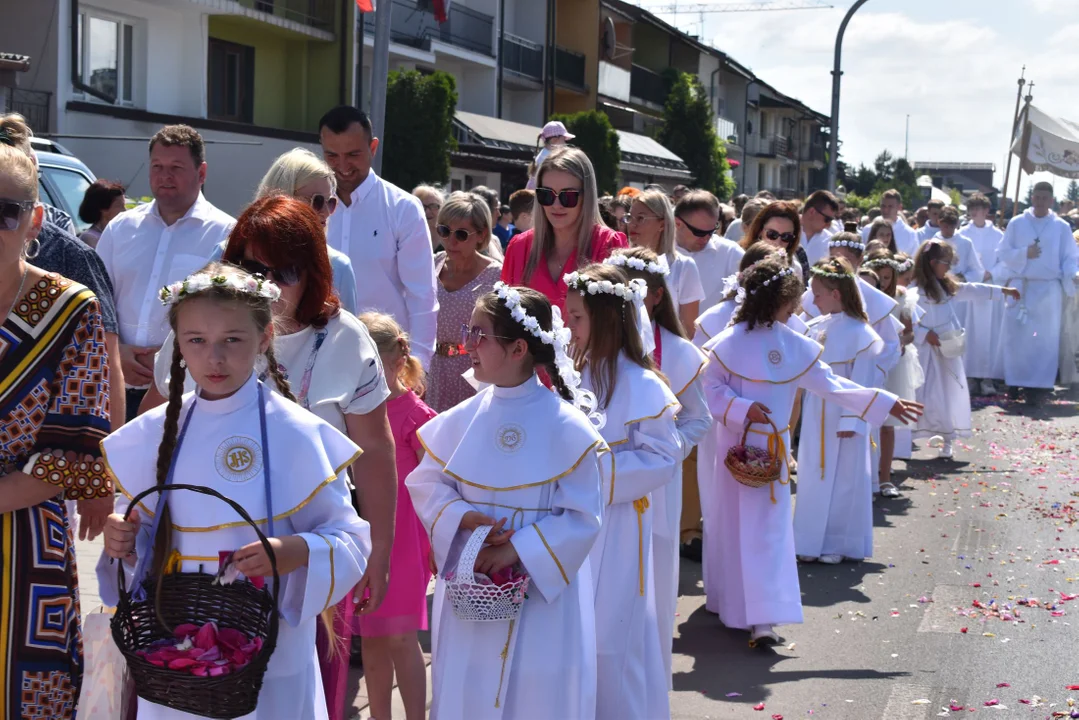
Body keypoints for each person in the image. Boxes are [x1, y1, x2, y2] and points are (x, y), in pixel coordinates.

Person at [141, 197, 397, 716]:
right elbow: (156, 422)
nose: (267, 284)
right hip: (190, 574)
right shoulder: (200, 326)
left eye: (283, 271)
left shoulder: (345, 339)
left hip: (301, 559)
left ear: (314, 271)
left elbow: (374, 448)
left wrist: (379, 551)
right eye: (251, 268)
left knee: (288, 686)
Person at [98, 263, 370, 720]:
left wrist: (293, 549)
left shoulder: (297, 433)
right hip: (178, 646)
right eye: (196, 341)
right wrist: (123, 541)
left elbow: (350, 538)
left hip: (270, 648)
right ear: (178, 344)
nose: (214, 359)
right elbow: (143, 540)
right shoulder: (154, 434)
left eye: (232, 340)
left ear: (264, 339)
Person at [406, 285, 606, 718]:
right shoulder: (462, 419)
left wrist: (515, 549)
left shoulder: (568, 427)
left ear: (518, 348)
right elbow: (426, 483)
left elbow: (582, 516)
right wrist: (462, 516)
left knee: (535, 692)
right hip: (473, 581)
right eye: (467, 331)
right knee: (467, 687)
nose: (467, 345)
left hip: (540, 592)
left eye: (479, 334)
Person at [699, 255, 922, 645]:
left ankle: (763, 619)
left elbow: (832, 385)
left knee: (767, 531)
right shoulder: (728, 344)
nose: (798, 307)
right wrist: (740, 408)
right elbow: (711, 387)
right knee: (732, 527)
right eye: (792, 301)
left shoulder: (795, 344)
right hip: (734, 450)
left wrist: (884, 401)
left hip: (773, 452)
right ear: (776, 303)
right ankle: (732, 604)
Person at [0, 144, 112, 719]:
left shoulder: (71, 309)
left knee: (29, 695)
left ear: (35, 220)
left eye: (5, 211)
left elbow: (67, 457)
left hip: (25, 546)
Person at [563, 263, 678, 720]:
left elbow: (661, 459)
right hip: (573, 522)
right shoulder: (573, 372)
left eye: (576, 318)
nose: (567, 327)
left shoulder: (643, 383)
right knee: (577, 633)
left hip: (620, 523)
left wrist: (589, 472)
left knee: (614, 635)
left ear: (606, 319)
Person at [606, 247, 710, 689]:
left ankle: (649, 677)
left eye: (637, 291)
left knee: (656, 570)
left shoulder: (682, 353)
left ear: (654, 297)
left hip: (657, 485)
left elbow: (698, 417)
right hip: (611, 484)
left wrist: (667, 449)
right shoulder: (600, 351)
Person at [96, 124, 235, 419]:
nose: (165, 175)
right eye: (157, 166)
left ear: (202, 173)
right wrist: (117, 349)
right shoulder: (121, 229)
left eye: (176, 167)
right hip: (114, 384)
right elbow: (96, 300)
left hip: (183, 392)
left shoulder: (226, 234)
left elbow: (230, 314)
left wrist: (174, 355)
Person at [1, 113, 125, 435]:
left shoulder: (76, 261)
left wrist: (111, 465)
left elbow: (107, 370)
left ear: (35, 218)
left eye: (6, 212)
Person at [356, 312, 435, 720]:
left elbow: (439, 485)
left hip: (403, 539)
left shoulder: (416, 415)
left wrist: (440, 541)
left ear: (394, 363)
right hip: (368, 534)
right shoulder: (355, 412)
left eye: (368, 363)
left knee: (402, 637)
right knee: (371, 636)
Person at [320, 105, 438, 367]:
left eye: (353, 154)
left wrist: (419, 365)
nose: (342, 166)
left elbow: (422, 295)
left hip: (384, 361)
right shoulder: (308, 206)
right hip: (319, 358)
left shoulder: (403, 208)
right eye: (331, 155)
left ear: (373, 148)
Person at [794, 257, 883, 564]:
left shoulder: (861, 333)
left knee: (844, 480)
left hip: (844, 416)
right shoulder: (815, 327)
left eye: (818, 294)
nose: (812, 300)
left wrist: (852, 418)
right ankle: (807, 542)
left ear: (836, 294)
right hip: (816, 410)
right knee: (813, 474)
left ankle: (836, 543)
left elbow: (863, 381)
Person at [210, 147, 359, 314]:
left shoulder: (338, 266)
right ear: (283, 197)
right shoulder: (229, 251)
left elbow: (346, 334)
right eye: (316, 201)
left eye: (330, 202)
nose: (325, 211)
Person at [911, 240, 1019, 457]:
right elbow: (907, 319)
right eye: (945, 263)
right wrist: (923, 334)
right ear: (932, 263)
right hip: (924, 351)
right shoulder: (915, 290)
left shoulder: (945, 286)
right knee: (921, 392)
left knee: (949, 391)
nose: (948, 268)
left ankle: (948, 438)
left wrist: (1002, 291)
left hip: (946, 349)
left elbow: (972, 290)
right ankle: (909, 437)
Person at [501, 146, 627, 312]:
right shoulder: (519, 248)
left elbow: (618, 324)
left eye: (568, 196)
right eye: (546, 194)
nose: (556, 205)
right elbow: (503, 320)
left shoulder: (610, 246)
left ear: (586, 196)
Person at [997, 181, 1079, 403]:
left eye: (1045, 198)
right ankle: (1015, 381)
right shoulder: (1017, 223)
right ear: (1032, 198)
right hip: (1021, 287)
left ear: (1051, 200)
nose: (1041, 202)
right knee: (1018, 337)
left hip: (1048, 290)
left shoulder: (1061, 226)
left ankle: (1041, 385)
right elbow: (1003, 253)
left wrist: (1073, 274)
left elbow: (1070, 257)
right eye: (1037, 197)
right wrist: (1025, 253)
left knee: (1044, 339)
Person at [426, 192, 503, 412]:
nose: (450, 241)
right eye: (444, 230)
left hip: (474, 371)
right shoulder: (430, 264)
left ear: (481, 235)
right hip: (432, 370)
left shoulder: (497, 276)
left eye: (461, 234)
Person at [863, 250, 922, 496]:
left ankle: (885, 477)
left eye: (888, 277)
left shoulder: (900, 298)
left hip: (893, 364)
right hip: (868, 363)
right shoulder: (863, 299)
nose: (884, 283)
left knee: (887, 422)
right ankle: (866, 475)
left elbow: (910, 332)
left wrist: (899, 343)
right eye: (880, 278)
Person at [627, 189, 705, 333]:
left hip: (667, 352)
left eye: (640, 218)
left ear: (662, 224)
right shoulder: (621, 263)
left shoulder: (683, 266)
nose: (632, 224)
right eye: (629, 218)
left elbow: (688, 328)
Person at [958, 192, 1007, 395]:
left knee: (989, 333)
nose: (974, 213)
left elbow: (1005, 260)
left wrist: (991, 273)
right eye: (971, 209)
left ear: (987, 211)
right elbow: (960, 261)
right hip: (970, 290)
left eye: (978, 209)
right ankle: (969, 375)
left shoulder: (998, 235)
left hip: (990, 288)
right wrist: (974, 274)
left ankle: (988, 377)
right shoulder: (962, 234)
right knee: (969, 331)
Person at [674, 190, 745, 312]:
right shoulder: (659, 252)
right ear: (678, 223)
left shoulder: (730, 253)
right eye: (699, 232)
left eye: (712, 231)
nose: (707, 238)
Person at [738, 200, 805, 280]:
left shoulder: (794, 269)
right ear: (760, 231)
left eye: (786, 237)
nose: (778, 242)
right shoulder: (739, 256)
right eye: (772, 234)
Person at [860, 189, 920, 256]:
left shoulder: (910, 234)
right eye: (883, 206)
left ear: (899, 207)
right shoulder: (868, 229)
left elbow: (913, 261)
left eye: (890, 206)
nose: (885, 210)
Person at [78, 178, 126, 248]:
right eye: (119, 205)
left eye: (124, 205)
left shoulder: (114, 234)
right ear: (103, 209)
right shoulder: (89, 238)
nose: (124, 210)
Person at [527, 120, 574, 189]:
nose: (565, 144)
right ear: (554, 140)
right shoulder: (550, 159)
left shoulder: (544, 154)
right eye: (563, 140)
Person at [801, 190, 839, 266]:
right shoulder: (786, 233)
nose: (829, 224)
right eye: (827, 219)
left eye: (831, 220)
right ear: (812, 212)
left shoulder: (830, 241)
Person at [469, 185, 506, 261]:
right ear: (486, 211)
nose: (499, 214)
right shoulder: (468, 242)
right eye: (496, 209)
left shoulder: (494, 239)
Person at [413, 184, 445, 251]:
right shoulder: (407, 235)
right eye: (422, 206)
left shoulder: (449, 236)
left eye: (433, 206)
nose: (427, 212)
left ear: (442, 208)